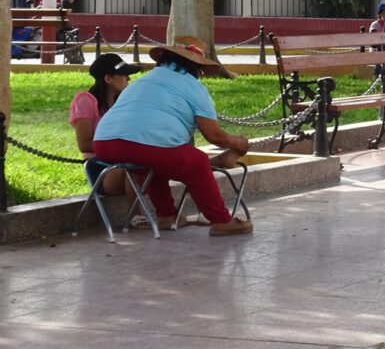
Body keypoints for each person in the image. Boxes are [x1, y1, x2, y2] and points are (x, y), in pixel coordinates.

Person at [93, 37, 253, 236]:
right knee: (197, 162)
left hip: (103, 143)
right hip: (144, 143)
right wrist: (238, 142)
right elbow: (214, 135)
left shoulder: (142, 81)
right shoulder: (192, 86)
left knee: (151, 163)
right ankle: (221, 220)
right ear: (196, 67)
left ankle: (166, 215)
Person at [69, 53, 142, 196]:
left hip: (127, 159)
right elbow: (84, 144)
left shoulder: (125, 101)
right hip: (100, 166)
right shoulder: (86, 101)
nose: (128, 79)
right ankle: (138, 216)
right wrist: (120, 147)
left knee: (157, 163)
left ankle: (166, 214)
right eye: (123, 74)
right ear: (108, 78)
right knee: (133, 169)